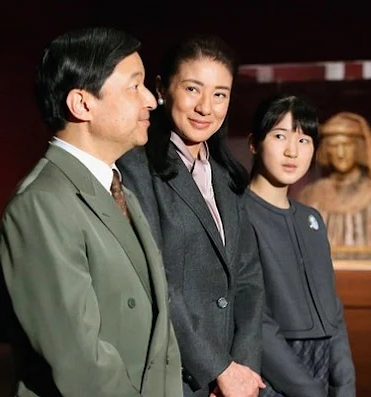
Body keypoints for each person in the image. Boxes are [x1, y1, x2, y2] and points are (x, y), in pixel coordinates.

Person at [0, 27, 183, 396]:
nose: (151, 100)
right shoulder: (42, 204)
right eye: (134, 85)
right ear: (82, 104)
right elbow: (82, 364)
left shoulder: (119, 188)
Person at [117, 35, 265, 397]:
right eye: (192, 89)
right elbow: (155, 280)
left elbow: (248, 278)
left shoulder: (227, 176)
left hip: (232, 379)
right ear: (162, 89)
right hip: (176, 377)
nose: (205, 107)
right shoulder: (135, 169)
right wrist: (217, 368)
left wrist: (241, 367)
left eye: (220, 94)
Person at [244, 93, 356, 396]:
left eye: (304, 140)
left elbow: (332, 307)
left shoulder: (312, 219)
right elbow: (255, 319)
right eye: (280, 136)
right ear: (254, 143)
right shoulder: (239, 214)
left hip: (323, 366)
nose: (292, 151)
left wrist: (344, 382)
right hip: (272, 374)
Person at [298, 111, 371, 247]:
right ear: (326, 150)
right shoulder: (311, 195)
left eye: (347, 145)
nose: (340, 153)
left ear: (358, 148)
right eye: (334, 146)